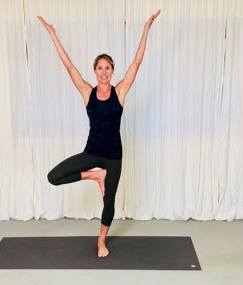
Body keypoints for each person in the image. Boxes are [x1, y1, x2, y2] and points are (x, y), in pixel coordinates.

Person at [38, 10, 161, 258]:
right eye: (99, 68)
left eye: (107, 68)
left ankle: (101, 240)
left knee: (109, 203)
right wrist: (53, 34)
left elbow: (137, 63)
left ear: (112, 71)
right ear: (94, 71)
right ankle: (94, 176)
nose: (103, 72)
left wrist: (146, 29)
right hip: (92, 152)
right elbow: (68, 65)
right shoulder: (87, 92)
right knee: (53, 177)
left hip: (113, 156)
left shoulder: (121, 92)